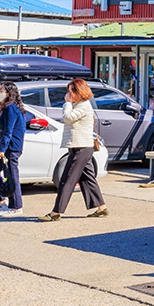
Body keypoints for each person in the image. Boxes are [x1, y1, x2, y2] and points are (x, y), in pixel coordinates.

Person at [38, 78, 108, 221]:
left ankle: (56, 212)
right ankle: (101, 208)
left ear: (79, 91)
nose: (68, 94)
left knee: (67, 179)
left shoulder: (83, 106)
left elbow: (68, 118)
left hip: (81, 147)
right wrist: (70, 103)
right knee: (87, 179)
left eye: (71, 91)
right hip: (79, 146)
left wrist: (67, 103)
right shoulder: (80, 105)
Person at [0, 82, 26, 217]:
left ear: (9, 93)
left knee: (12, 176)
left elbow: (8, 132)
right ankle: (7, 203)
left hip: (12, 147)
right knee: (7, 176)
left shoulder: (11, 108)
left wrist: (1, 149)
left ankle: (16, 207)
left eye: (1, 91)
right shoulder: (9, 107)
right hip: (12, 146)